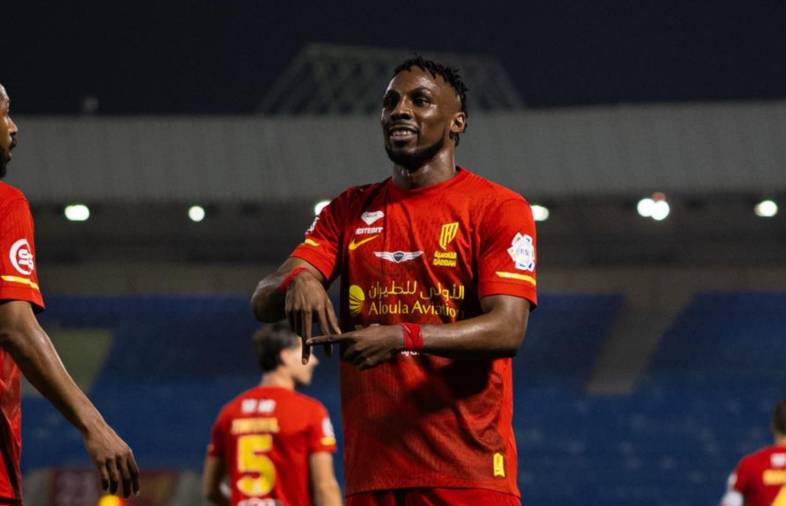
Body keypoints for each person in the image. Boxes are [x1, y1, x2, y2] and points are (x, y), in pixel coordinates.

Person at [251, 57, 537, 506]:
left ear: (456, 122)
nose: (399, 110)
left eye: (419, 101)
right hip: (372, 477)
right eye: (391, 102)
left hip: (466, 474)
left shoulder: (497, 208)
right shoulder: (348, 210)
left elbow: (508, 328)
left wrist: (402, 336)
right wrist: (300, 278)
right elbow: (262, 300)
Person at [0, 83, 139, 502]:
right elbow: (15, 329)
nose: (14, 127)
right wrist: (94, 426)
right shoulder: (5, 205)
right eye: (4, 113)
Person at [202, 322, 342, 506]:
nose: (314, 361)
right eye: (306, 351)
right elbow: (325, 487)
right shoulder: (310, 411)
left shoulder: (230, 412)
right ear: (285, 356)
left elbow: (210, 490)